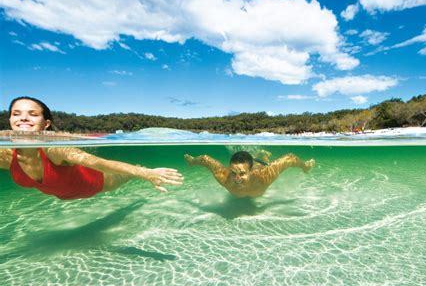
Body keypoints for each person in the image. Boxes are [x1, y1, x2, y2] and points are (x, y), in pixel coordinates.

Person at [0, 96, 183, 199]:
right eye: (16, 113)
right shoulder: (6, 155)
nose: (23, 118)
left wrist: (146, 174)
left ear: (46, 124)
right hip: (67, 194)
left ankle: (139, 167)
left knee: (126, 175)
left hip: (97, 183)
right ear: (9, 120)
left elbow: (98, 163)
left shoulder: (54, 149)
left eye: (32, 114)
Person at [184, 150, 315, 198]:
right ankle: (257, 154)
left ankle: (260, 155)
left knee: (263, 162)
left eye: (242, 174)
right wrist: (192, 161)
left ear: (251, 171)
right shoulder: (224, 177)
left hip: (258, 166)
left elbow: (290, 158)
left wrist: (305, 166)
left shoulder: (264, 177)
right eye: (234, 172)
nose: (237, 179)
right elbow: (205, 159)